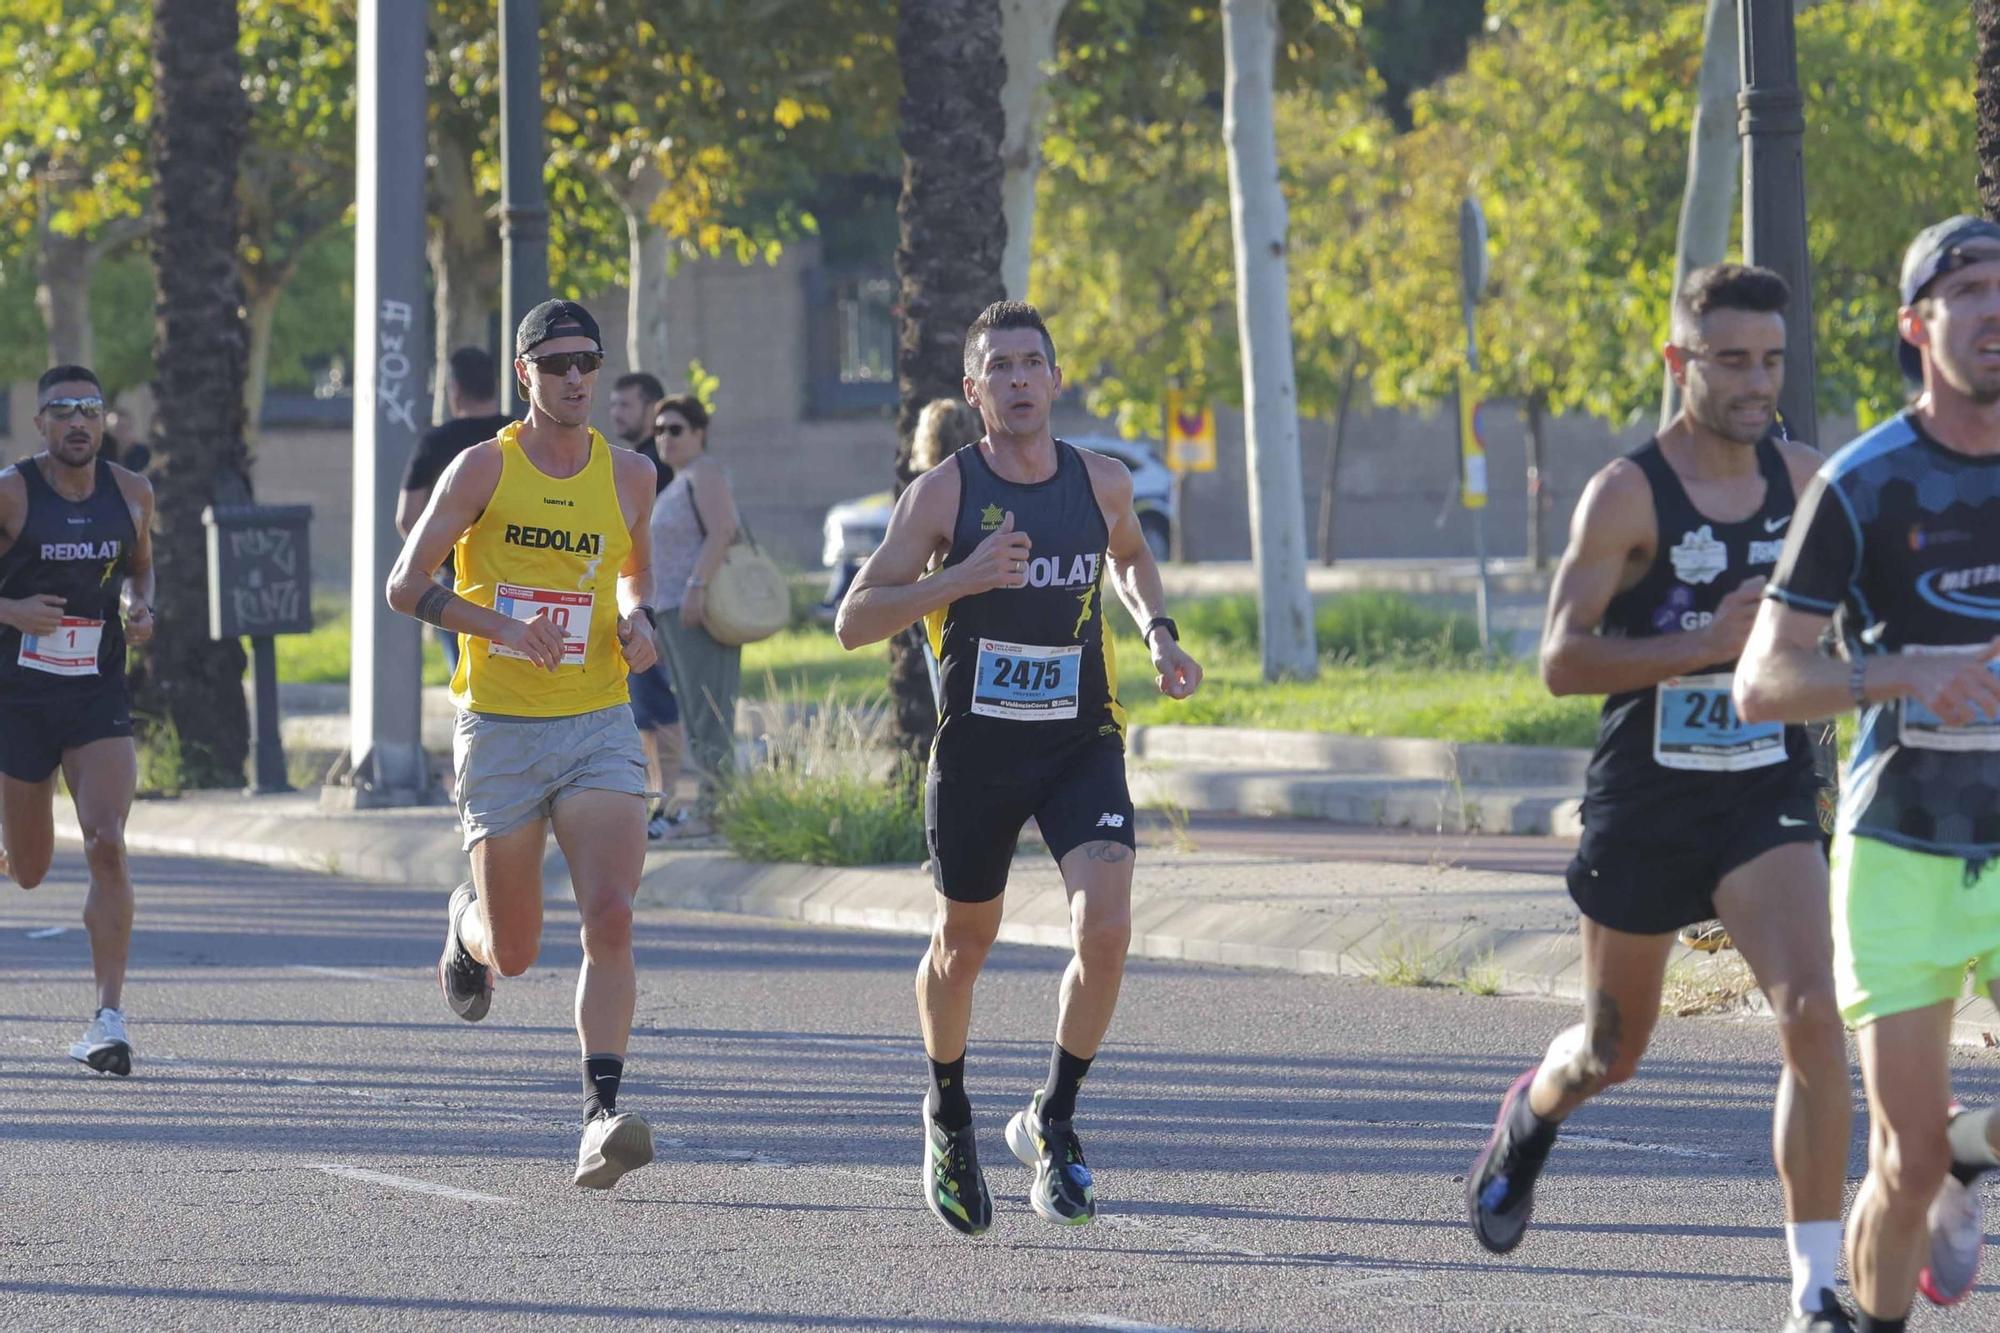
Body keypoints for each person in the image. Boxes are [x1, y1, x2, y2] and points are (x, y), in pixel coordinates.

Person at [1463, 265, 1853, 1333]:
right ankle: (1529, 1117)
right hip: (1642, 801)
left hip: (1761, 796)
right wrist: (1707, 645)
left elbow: (1860, 616)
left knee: (1813, 1018)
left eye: (1770, 361)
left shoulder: (1808, 481)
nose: (1754, 382)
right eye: (1730, 360)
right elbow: (1558, 660)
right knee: (1610, 1051)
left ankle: (1812, 1288)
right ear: (1679, 362)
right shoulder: (1626, 493)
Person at [835, 300, 1202, 1236]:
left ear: (1057, 378)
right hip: (979, 753)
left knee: (1108, 928)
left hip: (1080, 741)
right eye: (999, 366)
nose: (1019, 379)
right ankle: (949, 1114)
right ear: (974, 391)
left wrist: (1158, 633)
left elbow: (1131, 560)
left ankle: (1055, 1119)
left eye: (1033, 362)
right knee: (964, 946)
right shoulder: (944, 496)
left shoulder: (1102, 481)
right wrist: (960, 577)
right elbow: (854, 618)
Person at [1736, 216, 2000, 1333]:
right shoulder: (1860, 483)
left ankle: (1964, 1156)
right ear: (1915, 324)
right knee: (1895, 1162)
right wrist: (1903, 671)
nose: (1995, 311)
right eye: (1968, 290)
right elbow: (1761, 682)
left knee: (1934, 1149)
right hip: (1898, 846)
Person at [385, 300, 662, 1190]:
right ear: (524, 375)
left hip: (597, 723)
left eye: (589, 361)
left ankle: (599, 1115)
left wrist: (635, 620)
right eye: (557, 363)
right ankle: (467, 925)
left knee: (611, 913)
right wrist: (499, 625)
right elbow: (405, 584)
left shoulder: (631, 475)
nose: (577, 377)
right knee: (516, 951)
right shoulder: (480, 469)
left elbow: (629, 572)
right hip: (501, 728)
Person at [0, 365, 155, 1076]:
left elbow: (140, 566)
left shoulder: (131, 493)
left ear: (104, 421)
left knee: (106, 840)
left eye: (89, 409)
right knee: (30, 871)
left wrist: (137, 603)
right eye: (61, 410)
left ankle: (108, 1017)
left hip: (96, 693)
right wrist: (13, 611)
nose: (76, 422)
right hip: (19, 699)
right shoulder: (11, 493)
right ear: (39, 424)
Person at [648, 393, 744, 828]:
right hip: (673, 612)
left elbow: (723, 529)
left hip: (700, 610)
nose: (665, 437)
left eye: (675, 429)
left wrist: (696, 587)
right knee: (694, 711)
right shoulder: (679, 479)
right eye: (659, 430)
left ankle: (716, 808)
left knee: (711, 710)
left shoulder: (704, 473)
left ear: (699, 433)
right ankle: (711, 805)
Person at [398, 347, 515, 675]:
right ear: (496, 384)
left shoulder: (436, 441)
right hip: (521, 576)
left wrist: (438, 561)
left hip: (459, 583)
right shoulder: (519, 436)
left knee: (469, 678)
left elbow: (407, 518)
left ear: (455, 391)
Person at [609, 371, 687, 838]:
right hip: (632, 598)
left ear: (652, 405)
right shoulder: (624, 463)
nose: (616, 412)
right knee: (643, 705)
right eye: (613, 404)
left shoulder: (658, 466)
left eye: (626, 404)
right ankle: (653, 799)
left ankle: (671, 799)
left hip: (665, 599)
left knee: (660, 701)